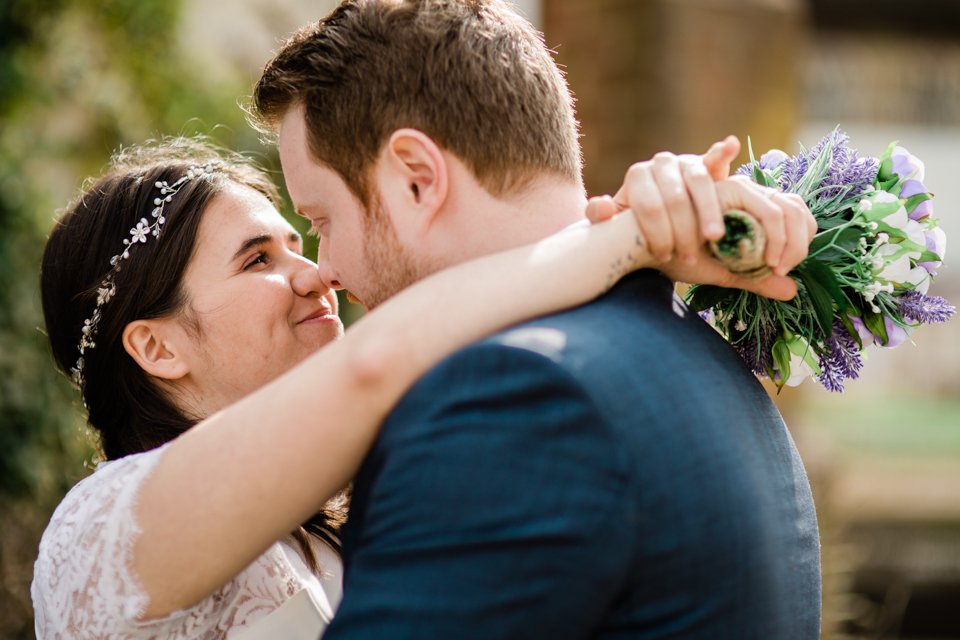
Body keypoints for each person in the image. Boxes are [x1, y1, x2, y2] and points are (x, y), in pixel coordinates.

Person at [31, 130, 800, 638]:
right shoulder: (95, 534)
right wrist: (627, 239)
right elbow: (382, 358)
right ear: (157, 346)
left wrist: (657, 213)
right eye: (257, 260)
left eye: (299, 244)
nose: (317, 275)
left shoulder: (344, 505)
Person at [251, 1, 822, 638]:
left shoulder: (512, 396)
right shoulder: (695, 347)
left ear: (417, 179)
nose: (323, 267)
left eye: (322, 219)